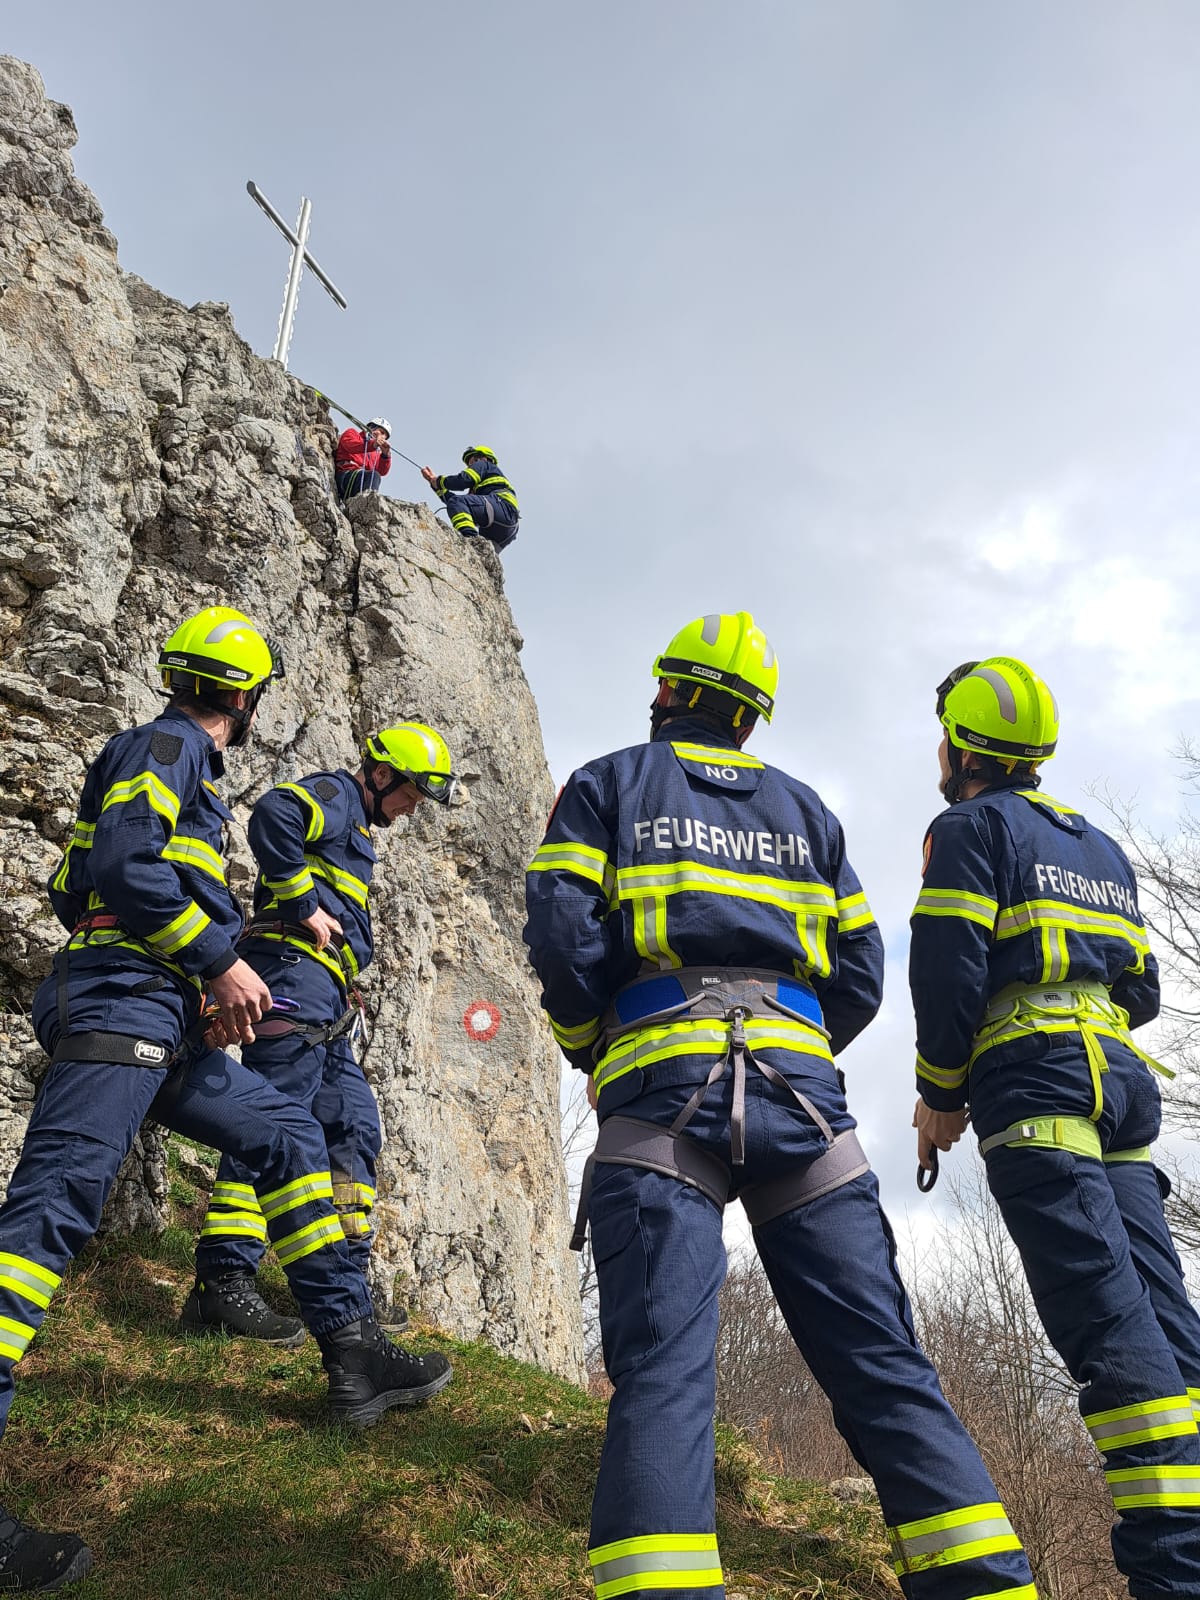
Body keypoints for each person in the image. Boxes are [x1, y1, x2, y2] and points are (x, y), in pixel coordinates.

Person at [524, 612, 1037, 1600]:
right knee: (881, 1356)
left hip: (661, 1099)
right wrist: (793, 1042)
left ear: (666, 691)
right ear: (751, 722)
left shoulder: (606, 784)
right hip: (807, 1108)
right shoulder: (808, 811)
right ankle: (985, 1580)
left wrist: (597, 1044)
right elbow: (861, 971)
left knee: (667, 1365)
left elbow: (558, 934)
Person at [0, 608, 452, 1593]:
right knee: (49, 1217)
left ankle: (353, 1353)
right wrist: (218, 959)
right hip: (119, 999)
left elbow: (74, 883)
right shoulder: (164, 744)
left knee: (287, 1130)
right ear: (244, 697)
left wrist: (198, 986)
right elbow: (118, 871)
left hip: (160, 1009)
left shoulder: (186, 774)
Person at [910, 656, 1200, 1598]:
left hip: (1035, 1087)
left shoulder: (967, 829)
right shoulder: (1102, 847)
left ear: (958, 745)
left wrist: (938, 1093)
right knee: (1168, 1323)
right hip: (1119, 1083)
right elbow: (1145, 990)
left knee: (1112, 1333)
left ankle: (1174, 1573)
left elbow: (948, 971)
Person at [181, 723, 459, 1346]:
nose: (413, 807)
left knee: (354, 1126)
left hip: (330, 1003)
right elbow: (274, 813)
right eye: (411, 793)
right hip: (292, 979)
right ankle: (223, 1279)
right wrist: (303, 903)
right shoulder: (337, 794)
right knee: (268, 1121)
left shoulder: (357, 829)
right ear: (382, 774)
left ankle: (342, 1285)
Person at [421, 445, 519, 551]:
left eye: (472, 462)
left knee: (459, 504)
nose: (470, 466)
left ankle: (469, 540)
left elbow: (462, 481)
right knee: (482, 555)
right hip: (506, 528)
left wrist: (439, 481)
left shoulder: (484, 465)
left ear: (483, 458)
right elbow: (456, 504)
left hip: (501, 508)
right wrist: (435, 485)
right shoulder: (480, 488)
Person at [335, 417, 392, 499]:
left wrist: (385, 455)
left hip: (359, 480)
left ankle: (366, 502)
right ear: (372, 427)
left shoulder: (374, 453)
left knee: (375, 476)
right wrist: (373, 444)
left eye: (384, 436)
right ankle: (367, 501)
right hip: (345, 475)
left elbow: (382, 471)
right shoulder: (352, 433)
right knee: (373, 475)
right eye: (381, 432)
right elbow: (350, 446)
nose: (382, 437)